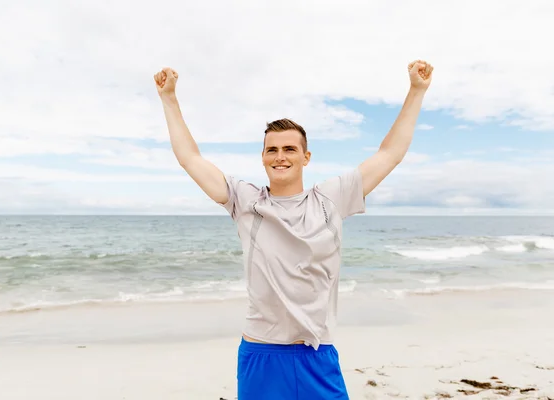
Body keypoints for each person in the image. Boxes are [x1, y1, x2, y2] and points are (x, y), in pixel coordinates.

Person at [153, 60, 433, 399]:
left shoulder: (331, 199)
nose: (280, 156)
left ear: (306, 157)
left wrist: (416, 91)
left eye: (289, 149)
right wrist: (169, 99)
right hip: (262, 354)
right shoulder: (246, 201)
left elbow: (390, 154)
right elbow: (190, 159)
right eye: (272, 149)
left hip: (316, 354)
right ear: (262, 157)